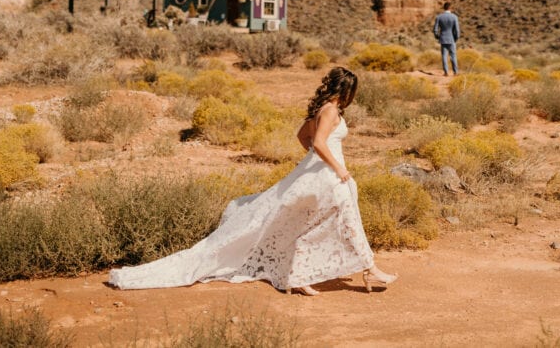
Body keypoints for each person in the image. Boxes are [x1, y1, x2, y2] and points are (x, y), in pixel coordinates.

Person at [107, 67, 397, 296]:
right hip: (328, 176)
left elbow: (303, 138)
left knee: (317, 222)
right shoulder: (331, 111)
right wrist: (335, 167)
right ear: (347, 91)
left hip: (318, 174)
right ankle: (365, 270)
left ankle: (313, 274)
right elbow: (318, 142)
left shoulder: (320, 110)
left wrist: (311, 161)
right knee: (341, 218)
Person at [433, 1, 460, 76]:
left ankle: (446, 72)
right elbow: (457, 30)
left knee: (444, 56)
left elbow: (435, 29)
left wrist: (438, 36)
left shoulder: (439, 17)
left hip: (443, 39)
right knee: (453, 56)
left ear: (444, 8)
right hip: (452, 39)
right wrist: (456, 38)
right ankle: (456, 72)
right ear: (450, 8)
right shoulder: (454, 17)